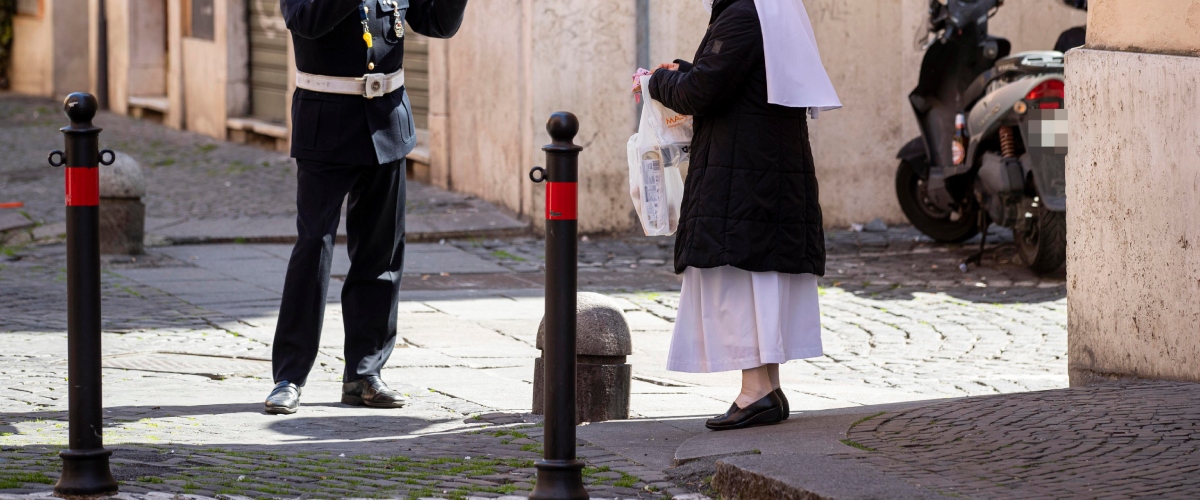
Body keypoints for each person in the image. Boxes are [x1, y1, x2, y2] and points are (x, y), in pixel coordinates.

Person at [265, 0, 469, 415]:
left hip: (387, 120)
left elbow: (436, 23)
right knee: (313, 249)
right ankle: (289, 375)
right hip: (326, 122)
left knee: (381, 255)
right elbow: (305, 21)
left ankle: (364, 373)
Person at [644, 0, 840, 430]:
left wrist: (657, 80)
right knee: (759, 273)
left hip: (743, 172)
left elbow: (702, 91)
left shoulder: (744, 12)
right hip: (766, 167)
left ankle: (756, 391)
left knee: (741, 276)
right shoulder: (768, 9)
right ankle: (766, 385)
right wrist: (681, 71)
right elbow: (733, 77)